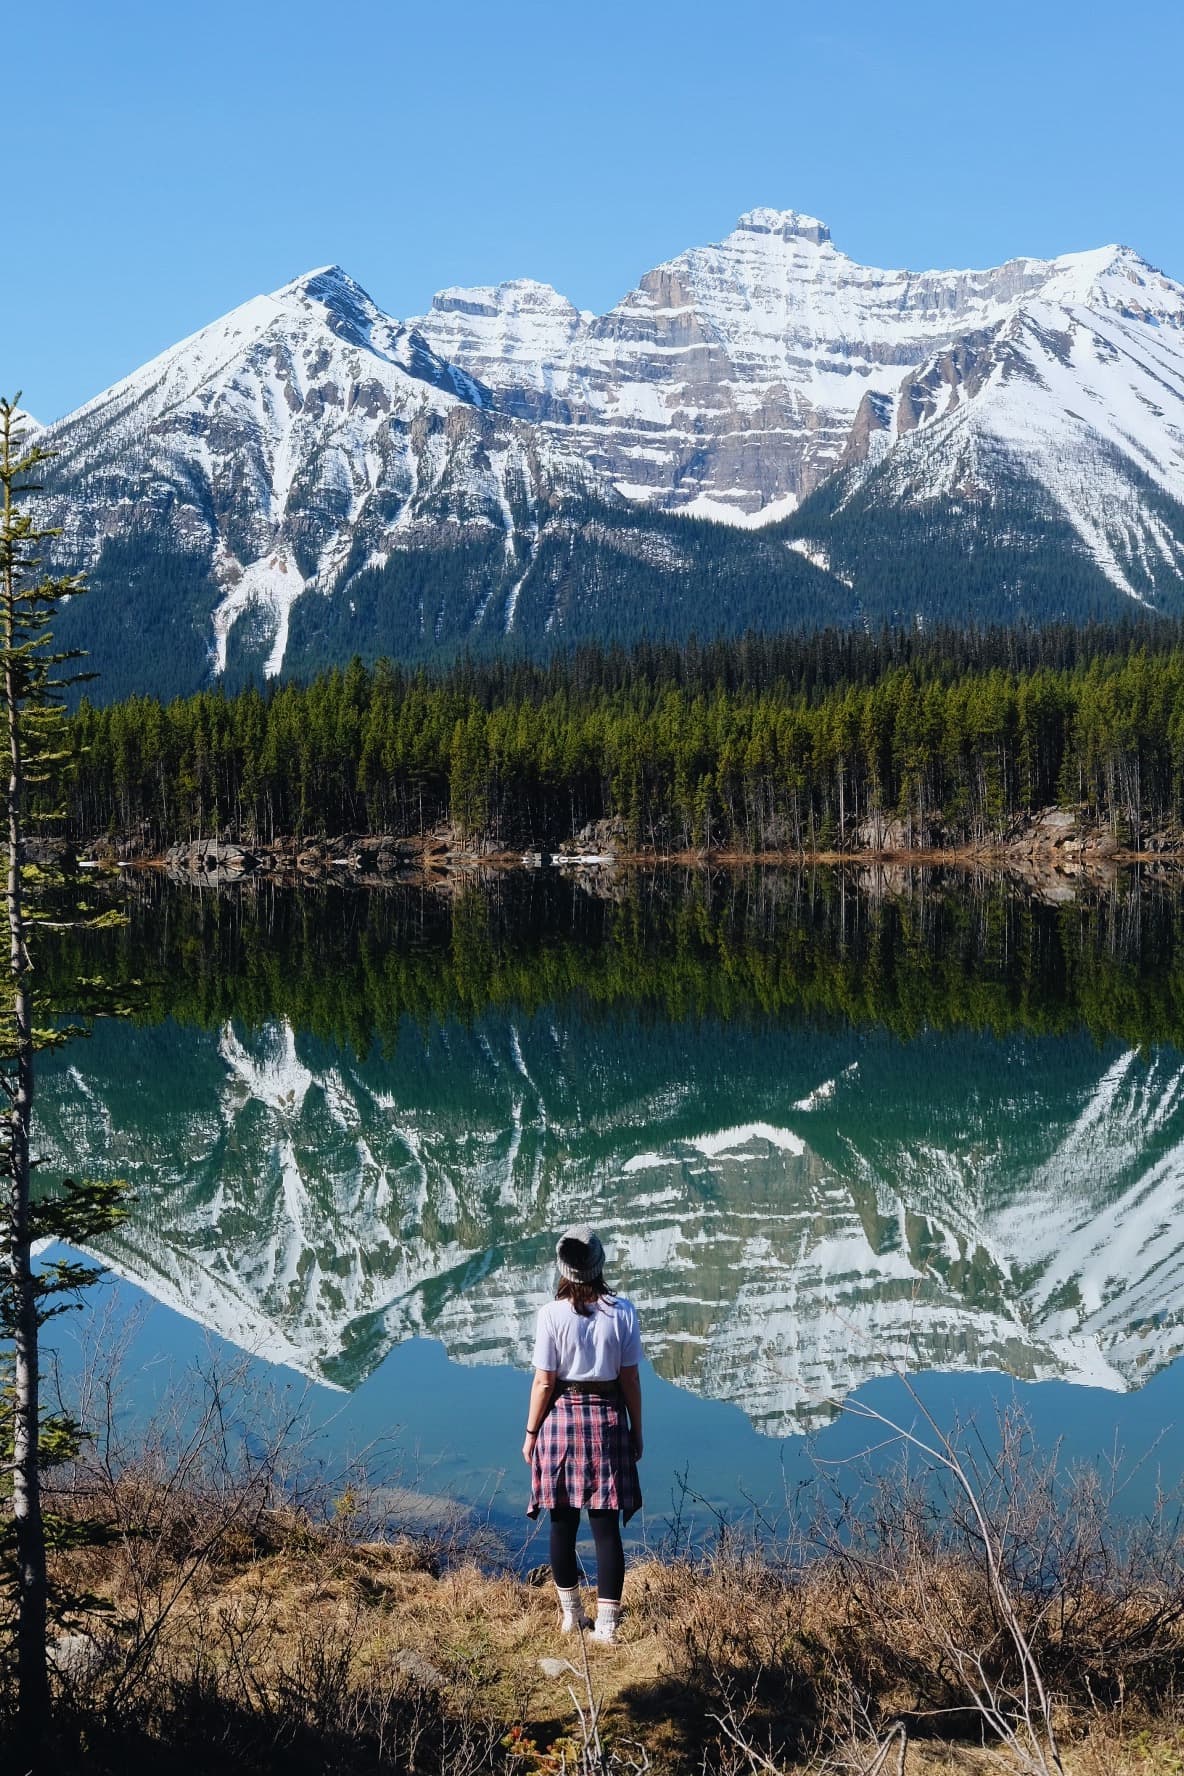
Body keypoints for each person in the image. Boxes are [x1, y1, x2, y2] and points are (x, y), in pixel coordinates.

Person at [523, 1224, 643, 1644]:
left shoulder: (550, 1315)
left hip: (561, 1420)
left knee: (561, 1522)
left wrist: (530, 1433)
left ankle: (572, 1617)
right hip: (609, 1420)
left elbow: (543, 1382)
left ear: (564, 1268)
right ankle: (608, 1626)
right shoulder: (623, 1311)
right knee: (606, 1526)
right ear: (599, 1264)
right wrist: (637, 1431)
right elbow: (630, 1380)